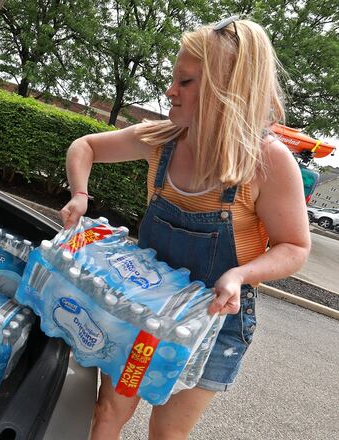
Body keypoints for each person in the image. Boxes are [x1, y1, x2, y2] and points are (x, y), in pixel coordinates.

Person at [59, 17, 311, 439]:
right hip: (143, 307)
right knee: (107, 414)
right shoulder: (161, 138)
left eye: (186, 81)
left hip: (214, 322)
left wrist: (240, 274)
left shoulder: (267, 163)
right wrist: (80, 196)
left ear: (227, 91)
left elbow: (295, 247)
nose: (170, 91)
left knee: (167, 432)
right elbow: (84, 146)